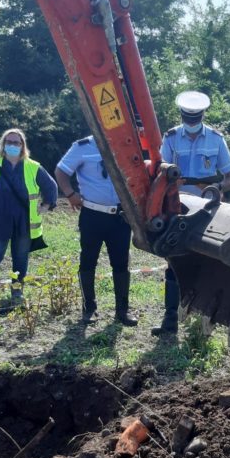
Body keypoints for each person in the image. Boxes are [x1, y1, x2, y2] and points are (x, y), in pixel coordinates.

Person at [151, 91, 230, 336]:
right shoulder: (170, 138)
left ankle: (203, 323)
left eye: (195, 118)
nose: (191, 123)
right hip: (176, 210)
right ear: (182, 116)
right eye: (187, 119)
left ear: (202, 116)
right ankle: (170, 320)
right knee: (174, 264)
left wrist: (217, 188)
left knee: (206, 265)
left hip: (206, 212)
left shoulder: (216, 139)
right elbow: (158, 174)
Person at [55, 136, 138, 326]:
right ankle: (89, 309)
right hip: (92, 214)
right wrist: (69, 194)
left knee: (121, 263)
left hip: (120, 216)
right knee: (88, 260)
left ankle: (122, 311)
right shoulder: (82, 146)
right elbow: (61, 171)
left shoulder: (126, 142)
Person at [0, 128, 58, 306]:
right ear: (3, 145)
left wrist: (46, 205)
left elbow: (51, 187)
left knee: (20, 259)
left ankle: (17, 292)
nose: (12, 145)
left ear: (22, 146)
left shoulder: (33, 167)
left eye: (16, 143)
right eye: (9, 142)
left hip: (23, 222)